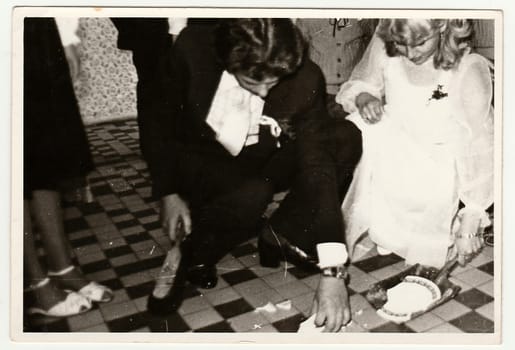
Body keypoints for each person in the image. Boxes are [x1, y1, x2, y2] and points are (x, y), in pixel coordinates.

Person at [147, 18, 362, 332]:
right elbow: (159, 123)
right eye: (252, 81)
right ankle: (193, 251)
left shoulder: (305, 77)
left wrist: (333, 270)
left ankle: (280, 233)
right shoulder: (192, 49)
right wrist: (168, 192)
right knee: (251, 193)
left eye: (273, 81)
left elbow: (318, 166)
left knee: (343, 136)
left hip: (266, 157)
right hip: (206, 164)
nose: (264, 92)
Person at [336, 19, 493, 269]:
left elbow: (479, 144)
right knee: (358, 130)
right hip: (392, 159)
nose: (410, 53)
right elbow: (363, 83)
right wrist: (365, 97)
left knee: (425, 252)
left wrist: (471, 220)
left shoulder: (466, 67)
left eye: (420, 43)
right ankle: (387, 229)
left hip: (437, 164)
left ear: (442, 27)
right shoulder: (387, 45)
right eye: (401, 44)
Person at [23, 17, 113, 318]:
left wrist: (66, 37)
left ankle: (63, 267)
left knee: (46, 151)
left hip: (33, 30)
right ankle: (36, 282)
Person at [110, 18, 187, 173]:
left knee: (153, 87)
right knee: (156, 88)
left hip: (152, 29)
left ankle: (156, 148)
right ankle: (158, 150)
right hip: (156, 29)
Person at [296, 18, 377, 119]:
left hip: (352, 93)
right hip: (318, 92)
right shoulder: (308, 17)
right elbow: (297, 52)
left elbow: (374, 44)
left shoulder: (363, 15)